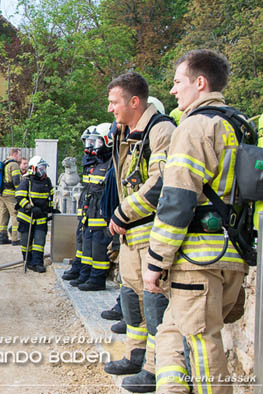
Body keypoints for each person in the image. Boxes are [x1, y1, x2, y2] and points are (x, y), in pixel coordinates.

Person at [143, 49, 248, 394]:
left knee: (202, 346)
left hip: (197, 261)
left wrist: (156, 260)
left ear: (199, 83)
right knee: (170, 332)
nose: (173, 91)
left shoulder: (194, 126)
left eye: (177, 82)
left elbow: (176, 200)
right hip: (231, 254)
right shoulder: (239, 124)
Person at [105, 72, 176, 393]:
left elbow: (161, 183)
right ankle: (136, 355)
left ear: (134, 102)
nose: (110, 109)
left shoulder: (160, 131)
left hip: (151, 235)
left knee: (154, 302)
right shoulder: (127, 133)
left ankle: (154, 367)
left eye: (114, 102)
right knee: (131, 299)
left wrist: (124, 212)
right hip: (130, 237)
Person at [70, 123, 114, 292]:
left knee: (98, 244)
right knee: (87, 241)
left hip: (100, 210)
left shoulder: (110, 163)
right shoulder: (95, 163)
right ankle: (85, 273)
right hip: (90, 207)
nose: (92, 147)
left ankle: (97, 279)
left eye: (96, 143)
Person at [62, 126, 98, 281]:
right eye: (87, 141)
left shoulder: (103, 162)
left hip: (97, 207)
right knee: (81, 236)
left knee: (92, 242)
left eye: (92, 142)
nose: (88, 145)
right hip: (86, 203)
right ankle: (79, 266)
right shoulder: (90, 162)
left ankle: (87, 272)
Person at [15, 156, 54, 273]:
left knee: (39, 242)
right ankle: (28, 261)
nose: (43, 170)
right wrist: (30, 207)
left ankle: (37, 263)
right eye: (41, 168)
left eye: (44, 168)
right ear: (33, 168)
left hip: (41, 217)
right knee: (26, 241)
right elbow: (19, 197)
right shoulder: (27, 181)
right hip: (27, 217)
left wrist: (51, 208)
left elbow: (50, 196)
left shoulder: (47, 181)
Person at [0, 148, 22, 245]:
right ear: (15, 154)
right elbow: (16, 181)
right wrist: (20, 193)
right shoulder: (14, 164)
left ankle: (2, 238)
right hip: (11, 194)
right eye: (19, 155)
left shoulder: (4, 163)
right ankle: (15, 239)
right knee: (15, 214)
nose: (20, 157)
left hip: (2, 193)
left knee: (3, 215)